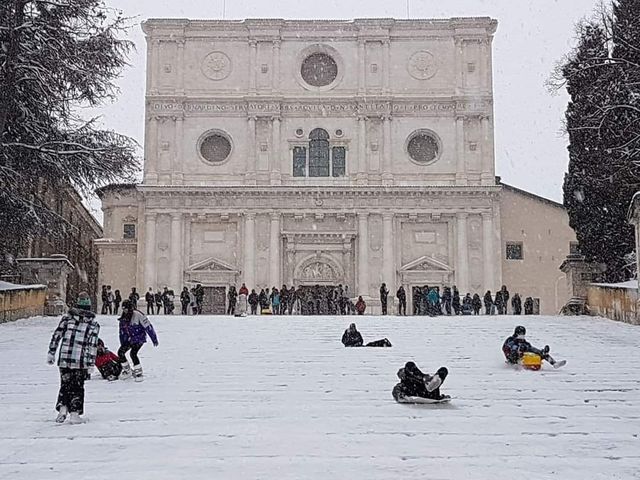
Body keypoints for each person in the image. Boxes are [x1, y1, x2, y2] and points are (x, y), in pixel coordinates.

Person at [47, 292, 100, 424]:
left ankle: (63, 409)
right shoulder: (93, 324)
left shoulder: (67, 319)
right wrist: (91, 364)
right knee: (77, 386)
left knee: (65, 384)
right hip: (80, 360)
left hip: (64, 357)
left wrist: (51, 352)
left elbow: (56, 335)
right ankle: (75, 414)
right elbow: (92, 345)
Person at [117, 299, 159, 381]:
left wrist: (154, 338)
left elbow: (148, 327)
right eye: (123, 309)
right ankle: (127, 370)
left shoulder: (138, 315)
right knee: (120, 352)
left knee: (133, 353)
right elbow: (122, 332)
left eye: (126, 309)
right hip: (129, 339)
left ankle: (139, 373)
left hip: (139, 338)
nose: (125, 311)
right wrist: (123, 343)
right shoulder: (123, 319)